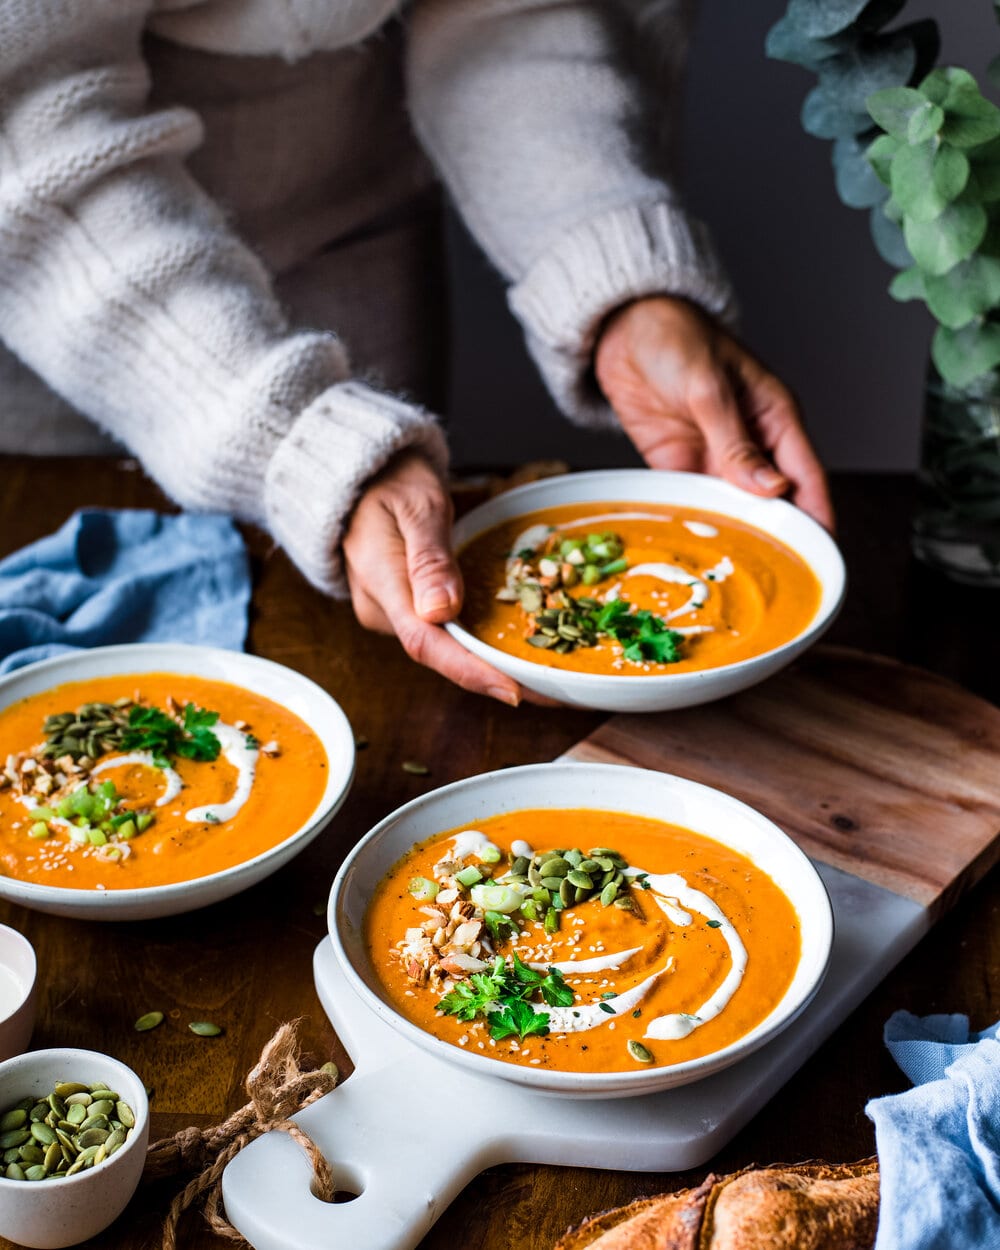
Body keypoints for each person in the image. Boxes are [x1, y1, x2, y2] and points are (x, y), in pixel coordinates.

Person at [0, 1, 832, 707]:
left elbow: (504, 12)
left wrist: (614, 273)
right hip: (54, 265)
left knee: (387, 638)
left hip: (357, 209)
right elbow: (25, 106)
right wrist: (299, 443)